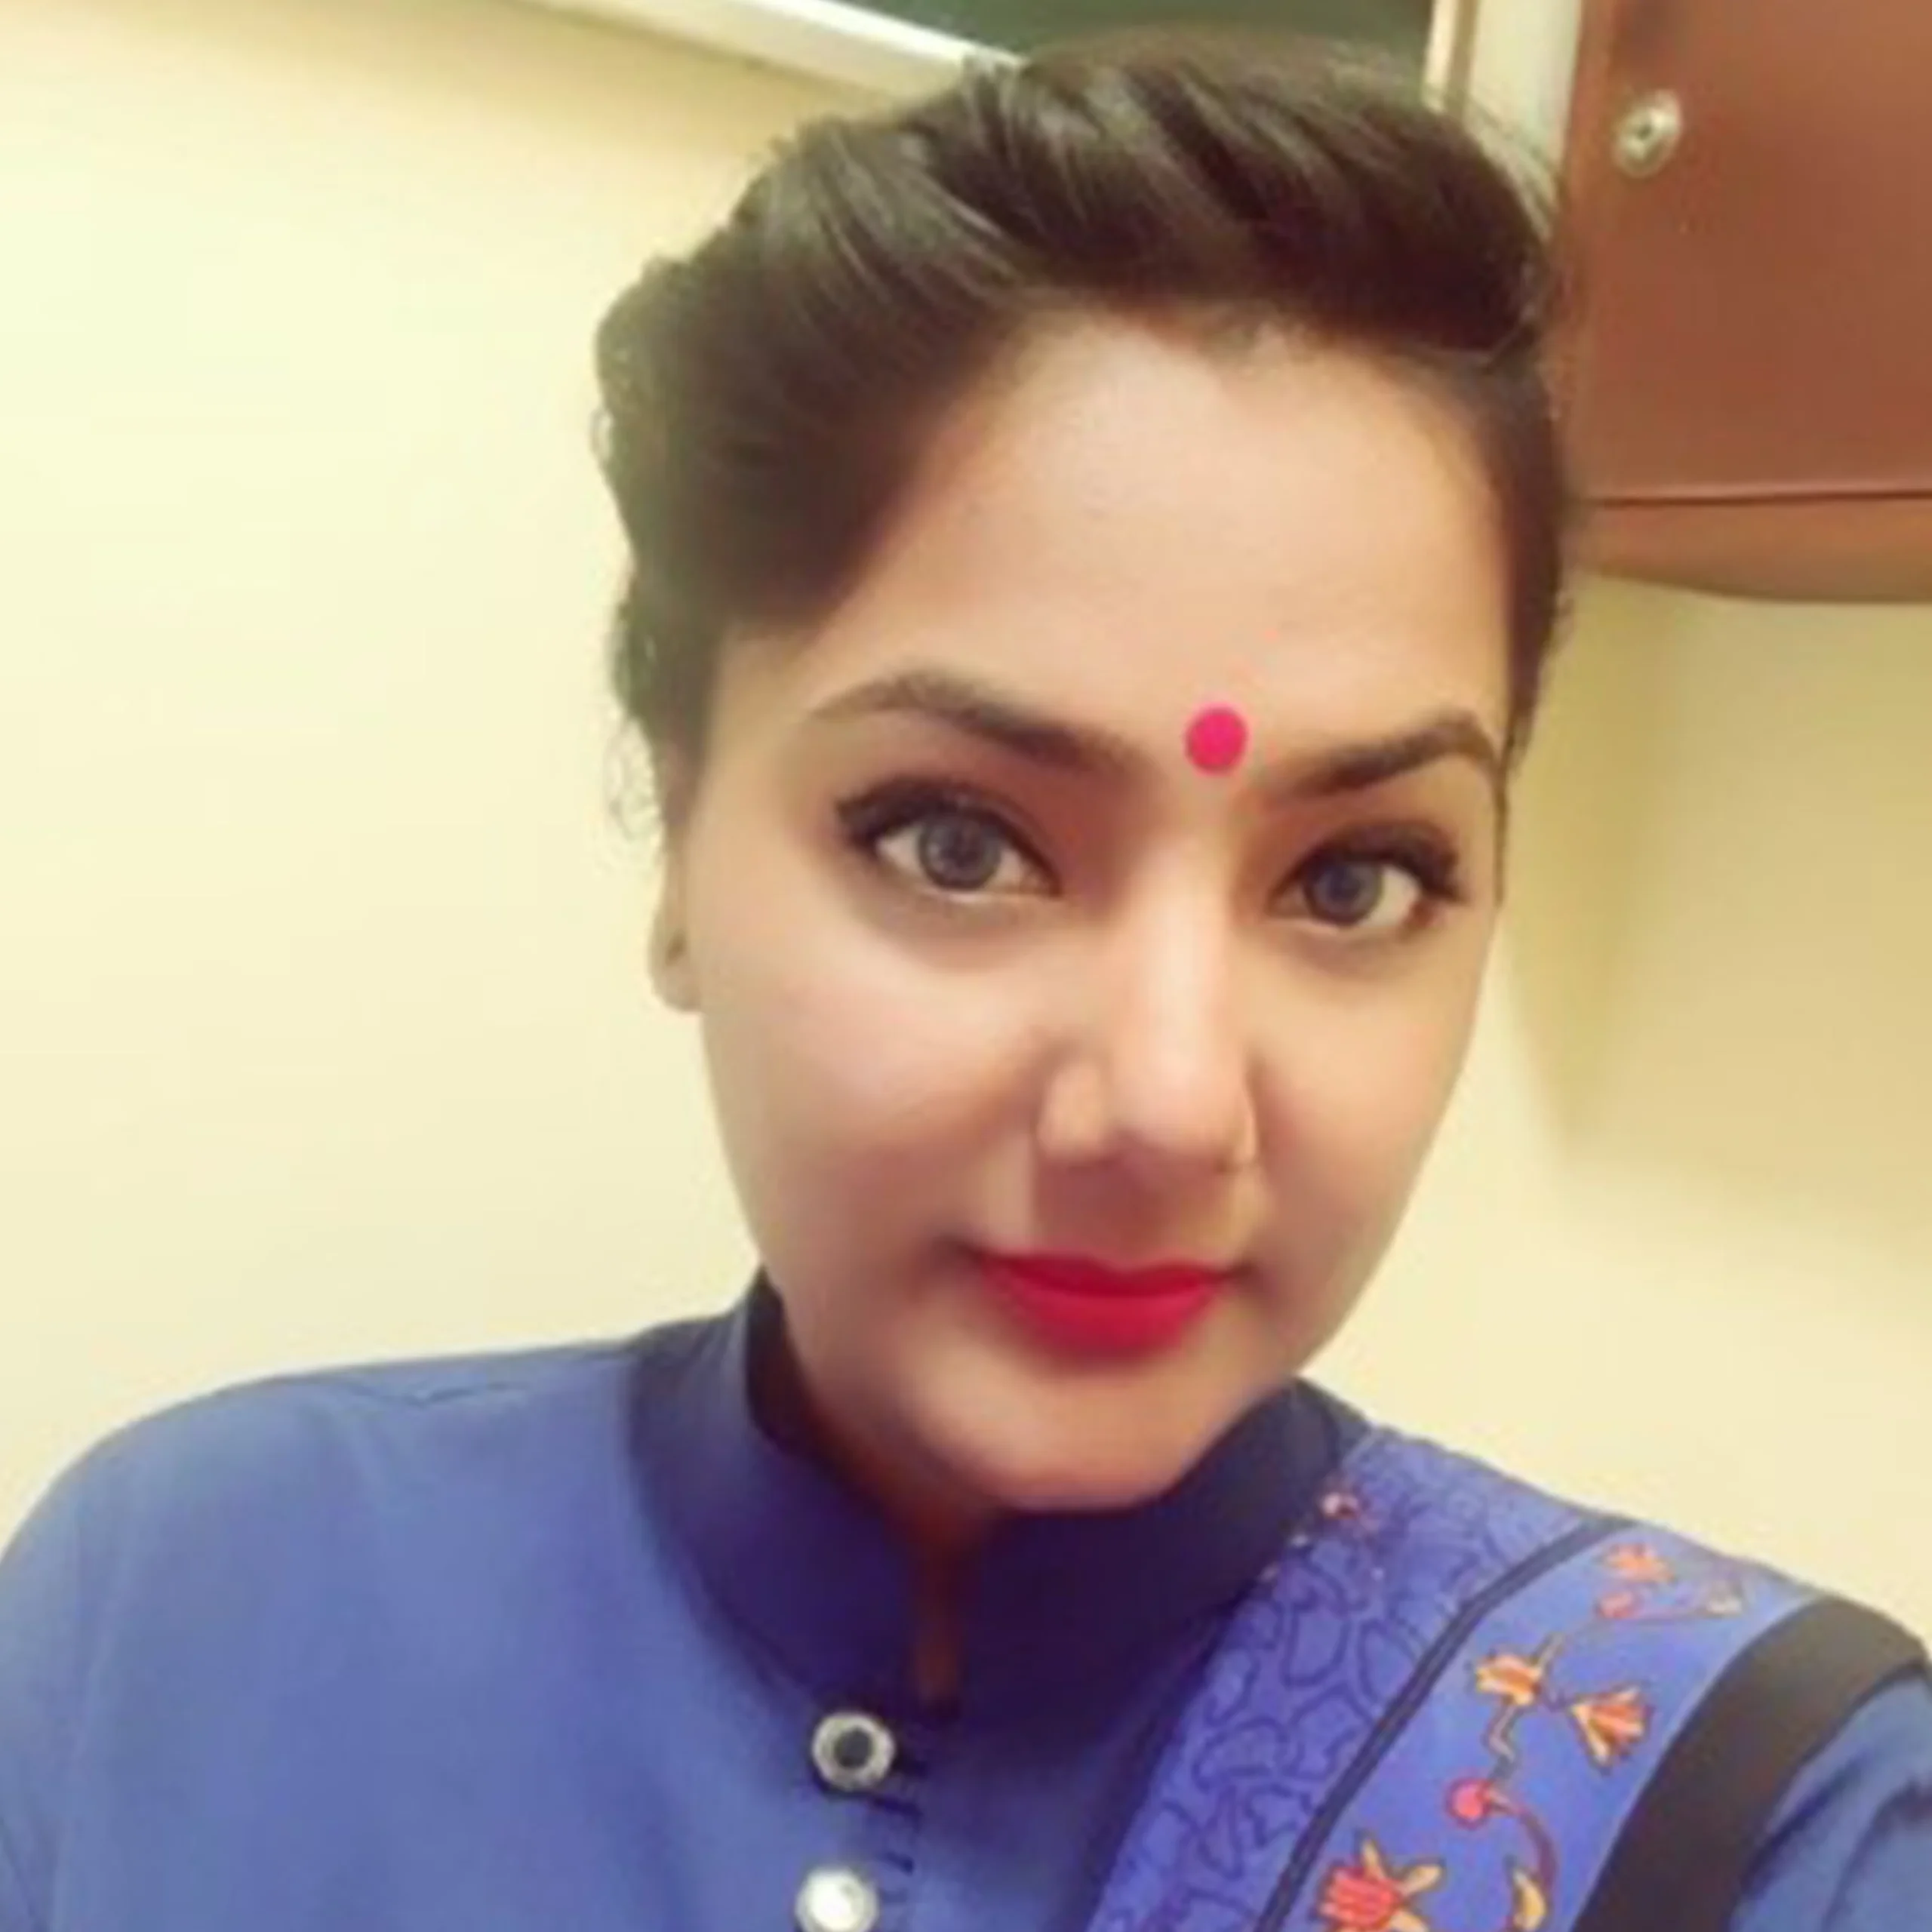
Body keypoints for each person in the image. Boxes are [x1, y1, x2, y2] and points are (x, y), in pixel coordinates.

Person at [0, 32, 1925, 1932]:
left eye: (1352, 876)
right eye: (957, 843)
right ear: (678, 842)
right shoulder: (186, 1605)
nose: (1167, 1100)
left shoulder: (1752, 1821)